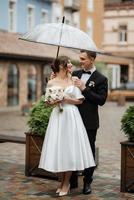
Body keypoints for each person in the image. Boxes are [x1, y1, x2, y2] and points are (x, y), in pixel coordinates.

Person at [38, 56, 95, 197]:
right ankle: (62, 181)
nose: (71, 64)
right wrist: (54, 101)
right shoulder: (51, 82)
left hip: (71, 116)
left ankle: (66, 183)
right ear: (61, 66)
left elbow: (80, 101)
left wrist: (66, 99)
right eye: (68, 62)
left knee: (69, 149)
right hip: (58, 117)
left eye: (70, 62)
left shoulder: (73, 80)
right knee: (59, 148)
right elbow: (47, 103)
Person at [70, 50, 108, 194]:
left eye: (83, 59)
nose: (80, 61)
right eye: (80, 58)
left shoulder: (101, 79)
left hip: (89, 121)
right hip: (72, 119)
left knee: (88, 151)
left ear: (92, 59)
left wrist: (84, 88)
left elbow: (101, 100)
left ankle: (87, 182)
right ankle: (72, 180)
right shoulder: (75, 74)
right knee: (72, 149)